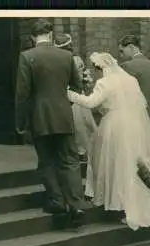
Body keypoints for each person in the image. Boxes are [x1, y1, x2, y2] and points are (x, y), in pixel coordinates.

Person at [67, 52, 150, 229]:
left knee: (114, 162)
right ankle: (130, 201)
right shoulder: (131, 80)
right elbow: (141, 103)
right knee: (130, 161)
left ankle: (118, 202)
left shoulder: (105, 82)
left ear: (101, 68)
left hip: (115, 125)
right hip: (134, 124)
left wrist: (70, 94)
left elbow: (90, 102)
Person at [15, 19, 85, 229]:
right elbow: (77, 86)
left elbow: (22, 94)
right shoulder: (66, 56)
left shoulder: (27, 57)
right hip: (64, 116)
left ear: (33, 37)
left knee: (46, 161)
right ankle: (76, 204)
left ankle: (57, 202)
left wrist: (21, 122)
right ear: (51, 35)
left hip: (40, 117)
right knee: (70, 161)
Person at [54, 34, 98, 162]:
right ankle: (82, 150)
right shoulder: (75, 59)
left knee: (77, 123)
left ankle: (77, 150)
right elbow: (79, 78)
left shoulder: (59, 60)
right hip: (76, 94)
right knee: (81, 124)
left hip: (67, 94)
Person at [118, 35, 150, 133]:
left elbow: (121, 95)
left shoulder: (126, 66)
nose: (121, 55)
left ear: (131, 47)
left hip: (135, 120)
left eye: (122, 51)